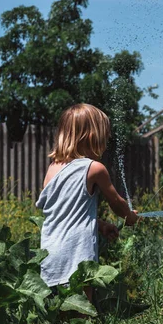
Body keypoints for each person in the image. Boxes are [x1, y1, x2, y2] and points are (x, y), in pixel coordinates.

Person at [36, 103, 139, 299]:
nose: (107, 141)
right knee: (82, 310)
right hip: (77, 255)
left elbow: (62, 212)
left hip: (51, 254)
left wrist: (99, 225)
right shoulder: (94, 168)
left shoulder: (52, 169)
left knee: (59, 312)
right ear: (92, 137)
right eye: (105, 137)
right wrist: (129, 217)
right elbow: (116, 203)